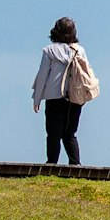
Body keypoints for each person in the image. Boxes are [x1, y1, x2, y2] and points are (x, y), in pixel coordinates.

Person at [32, 17, 86, 166]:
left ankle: (51, 163)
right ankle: (75, 164)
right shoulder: (79, 50)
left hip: (53, 96)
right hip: (75, 96)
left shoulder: (49, 51)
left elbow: (42, 76)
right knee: (70, 133)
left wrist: (37, 99)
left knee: (53, 133)